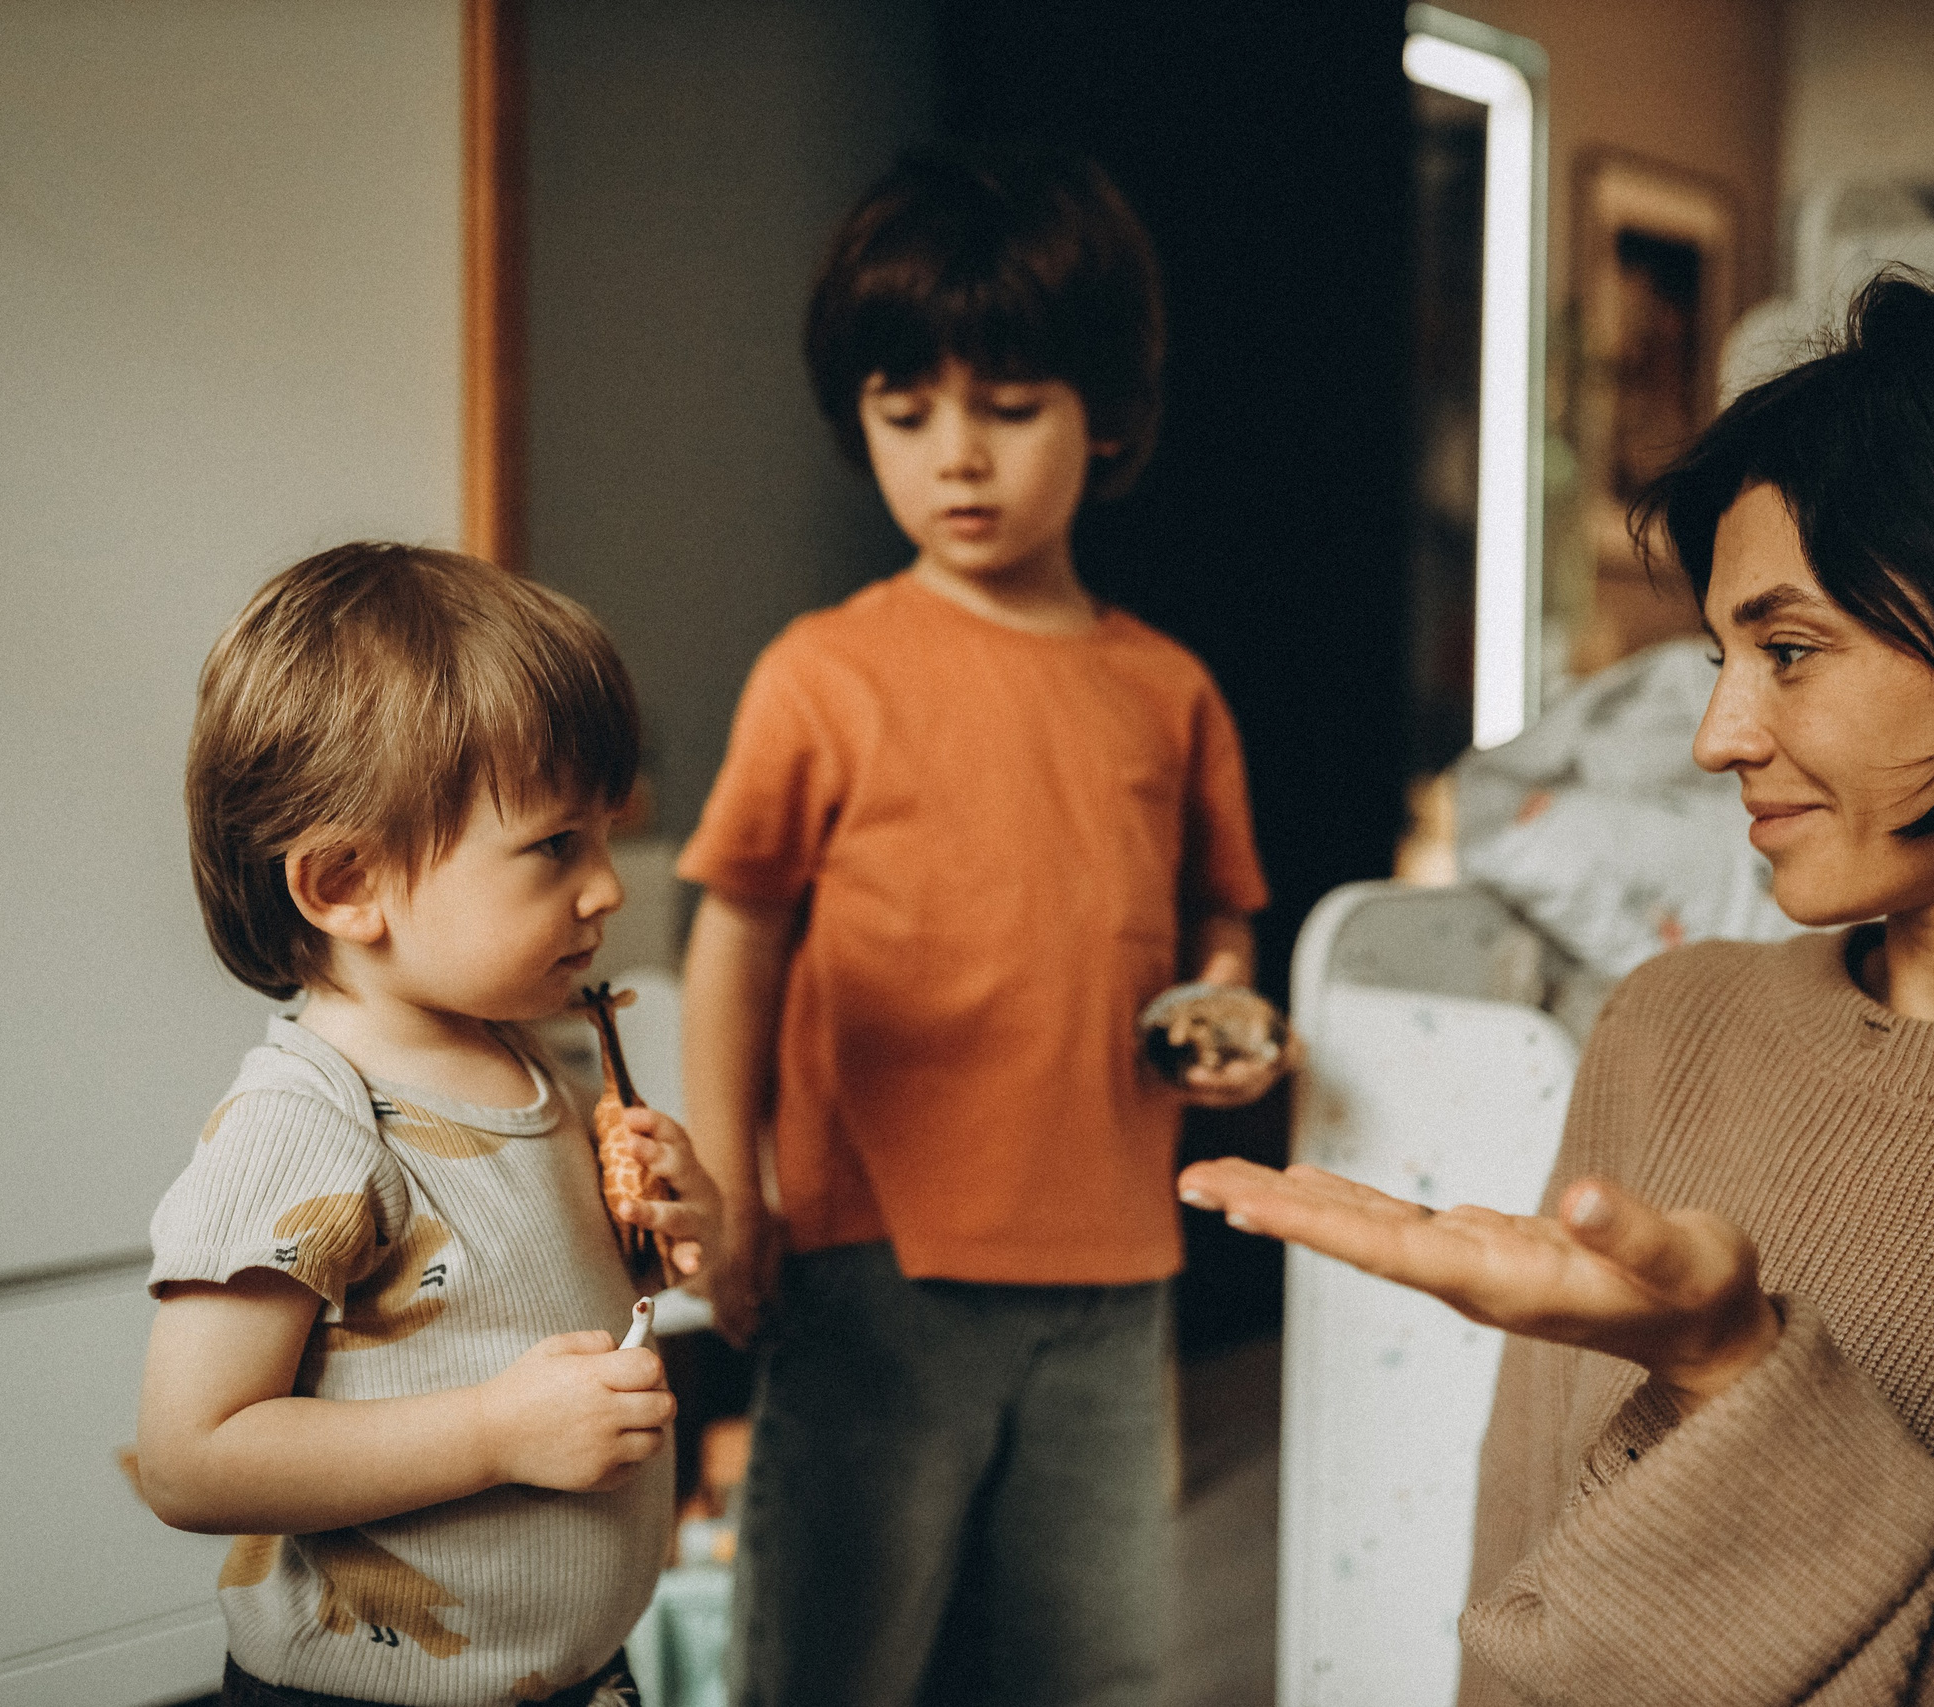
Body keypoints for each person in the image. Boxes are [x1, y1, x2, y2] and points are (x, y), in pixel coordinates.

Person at [1182, 276, 1934, 1702]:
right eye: (1721, 656)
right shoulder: (1668, 1025)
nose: (1716, 734)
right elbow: (1517, 1610)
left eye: (1789, 651)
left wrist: (1736, 1376)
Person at [676, 146, 1282, 1705]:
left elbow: (1221, 921)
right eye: (905, 412)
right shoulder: (823, 672)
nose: (958, 456)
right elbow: (736, 930)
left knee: (1090, 1660)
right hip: (877, 1255)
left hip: (1112, 1268)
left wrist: (1227, 1011)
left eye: (1009, 410)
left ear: (1108, 413)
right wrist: (731, 1181)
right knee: (833, 1655)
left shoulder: (1170, 687)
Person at [137, 543, 722, 1707]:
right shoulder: (309, 1126)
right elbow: (191, 1458)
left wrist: (684, 1223)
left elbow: (522, 1292)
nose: (605, 886)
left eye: (606, 834)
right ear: (346, 883)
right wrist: (495, 1433)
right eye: (556, 846)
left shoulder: (535, 1057)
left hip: (570, 1675)